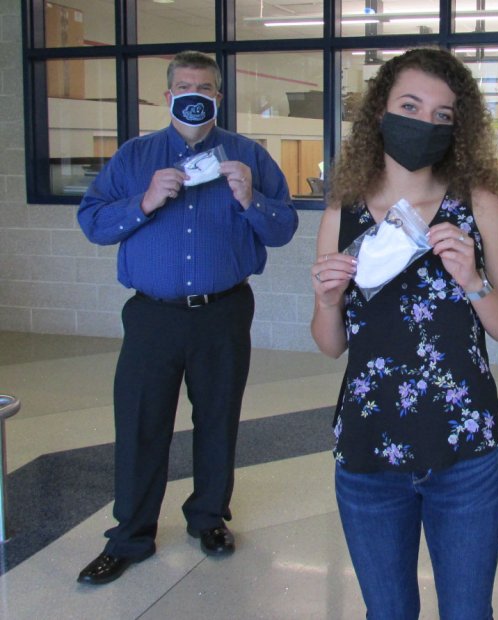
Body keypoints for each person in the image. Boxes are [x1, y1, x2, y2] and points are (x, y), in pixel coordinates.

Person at [310, 48, 498, 619]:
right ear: (380, 112)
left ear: (458, 128)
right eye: (410, 106)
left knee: (467, 611)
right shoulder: (344, 212)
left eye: (442, 115)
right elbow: (330, 344)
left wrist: (474, 281)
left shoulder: (477, 206)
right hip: (368, 449)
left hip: (465, 450)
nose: (424, 122)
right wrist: (328, 300)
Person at [76, 51, 298, 585]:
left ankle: (208, 519)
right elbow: (93, 222)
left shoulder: (248, 155)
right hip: (152, 317)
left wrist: (251, 199)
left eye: (204, 87)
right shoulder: (135, 157)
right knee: (140, 423)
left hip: (223, 313)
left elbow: (284, 228)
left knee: (218, 418)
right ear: (168, 95)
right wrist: (145, 201)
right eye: (183, 86)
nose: (193, 94)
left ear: (218, 96)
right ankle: (131, 536)